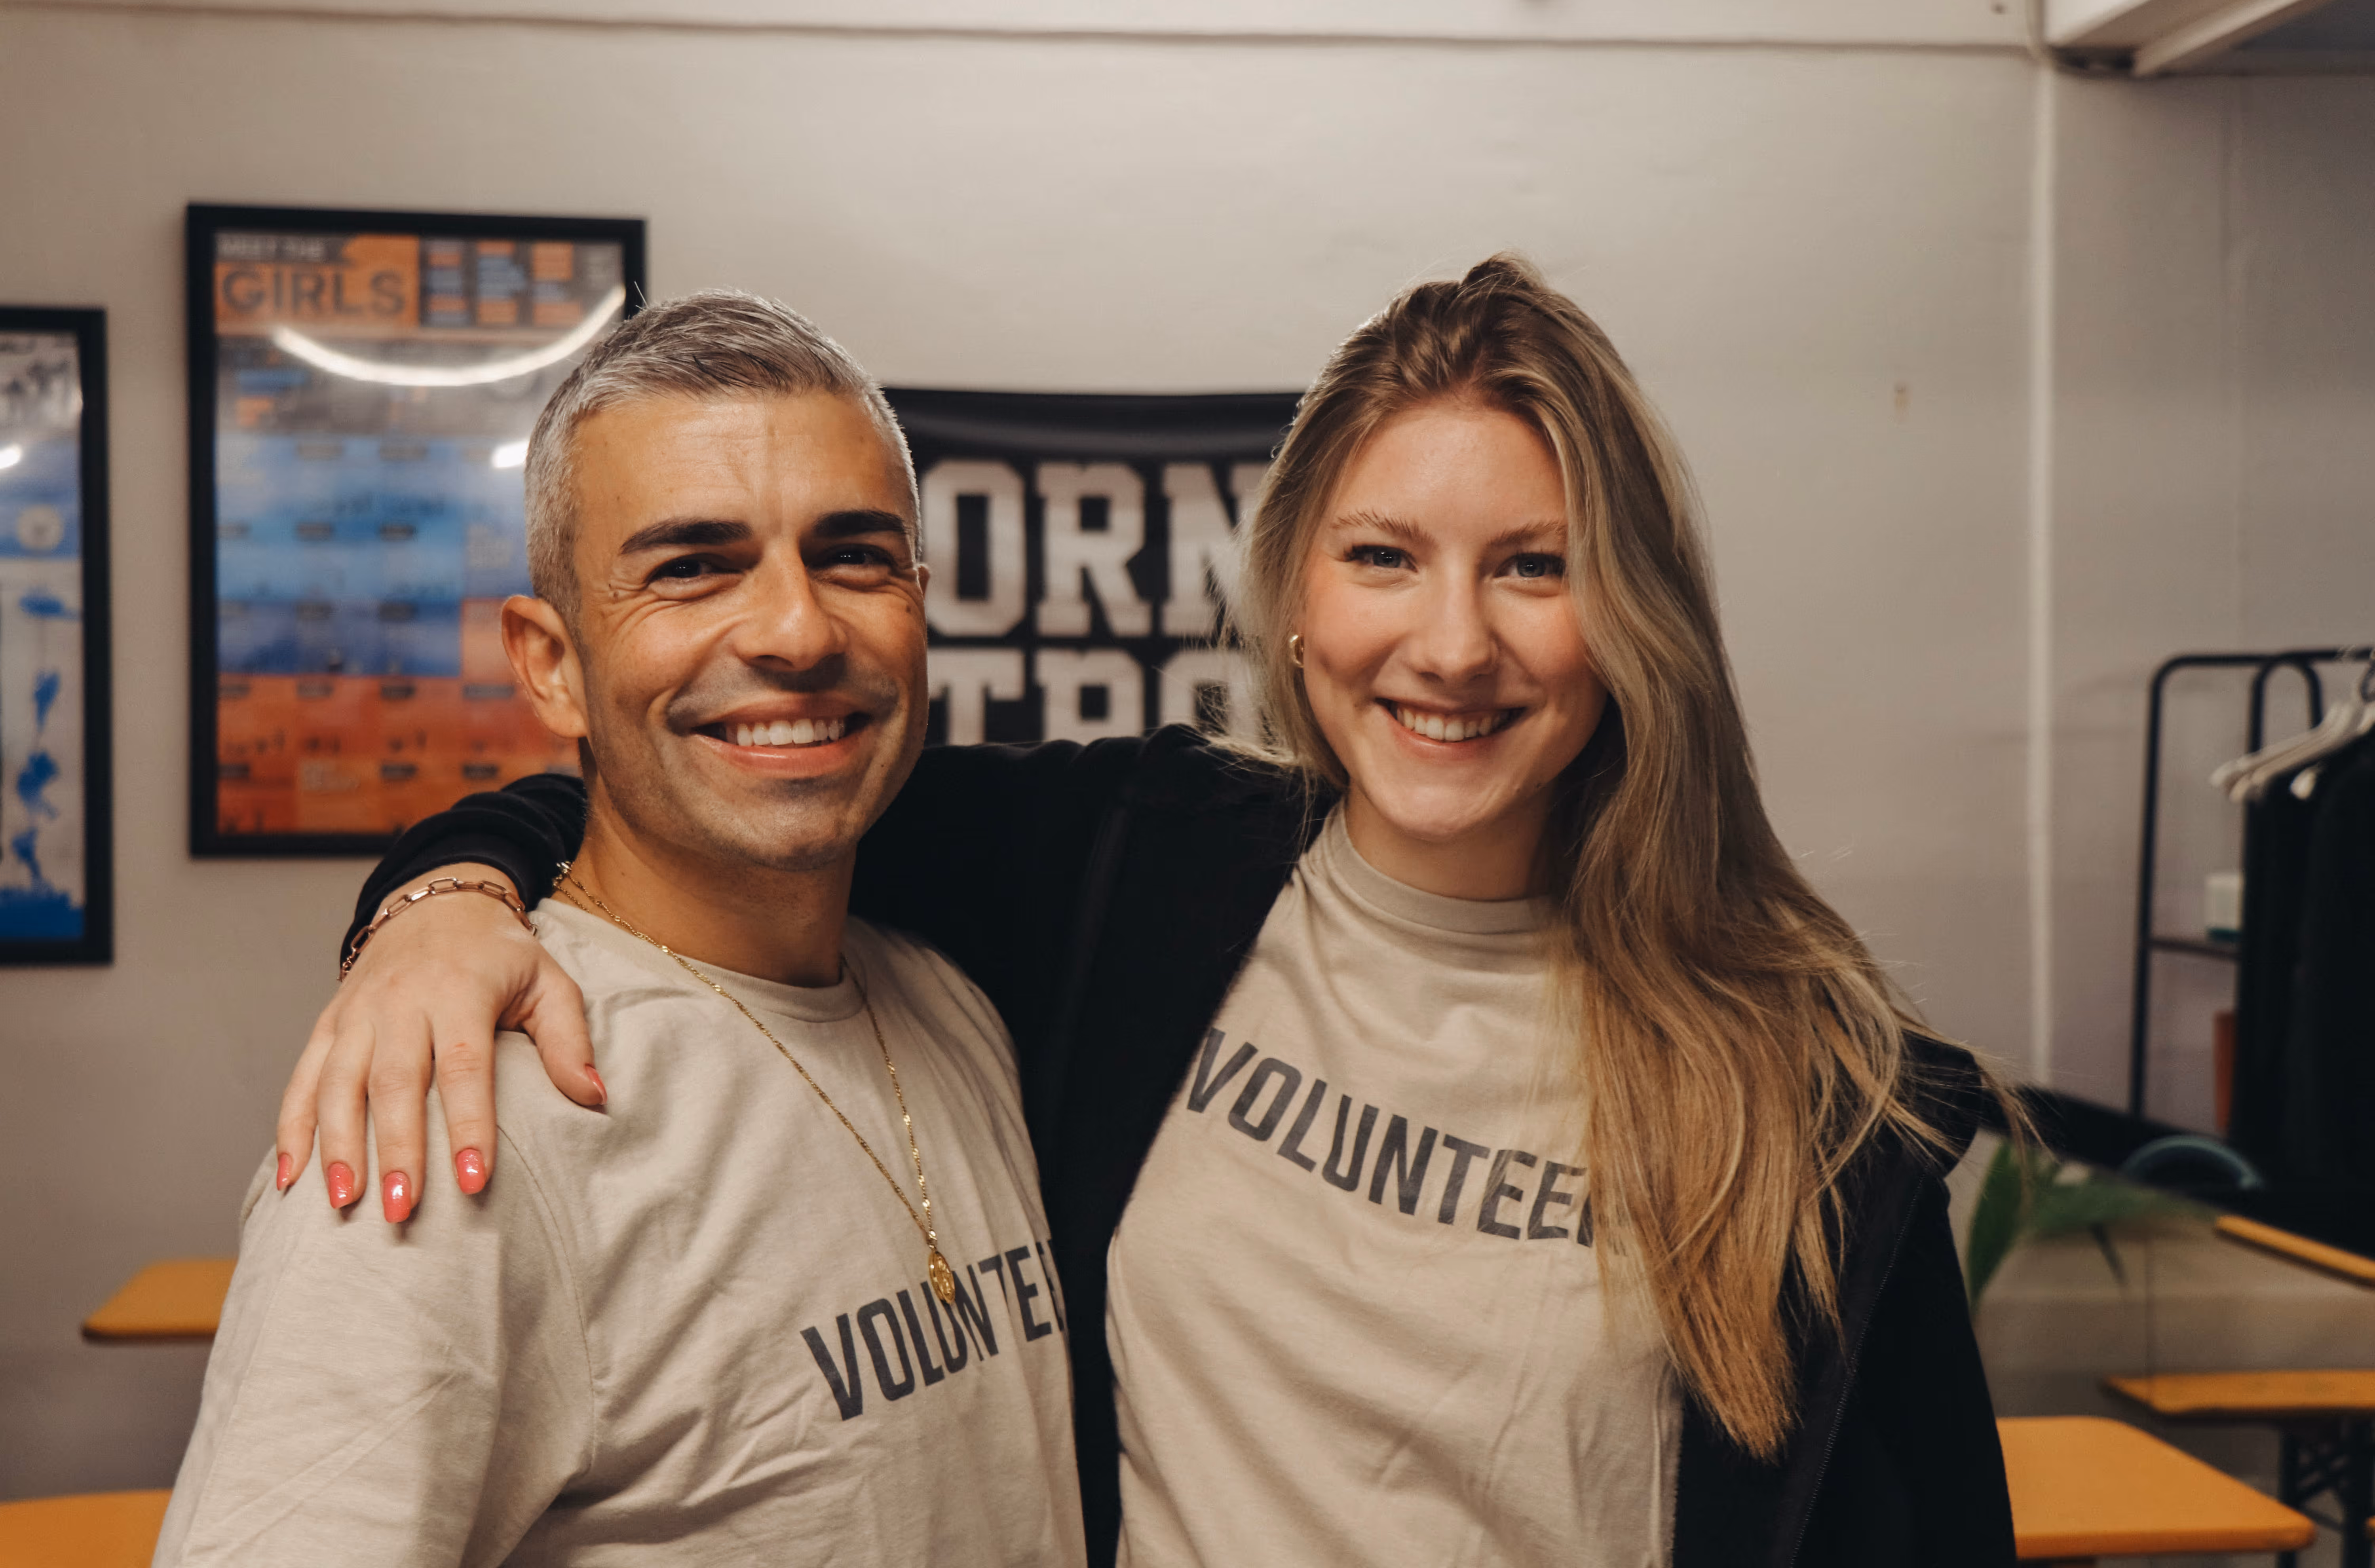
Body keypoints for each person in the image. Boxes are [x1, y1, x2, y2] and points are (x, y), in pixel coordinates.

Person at [281, 255, 2017, 1567]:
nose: (1455, 643)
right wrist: (445, 901)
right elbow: (735, 772)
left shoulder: (1807, 1095)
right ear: (1294, 602)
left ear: (1633, 618)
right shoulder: (1124, 873)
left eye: (1536, 566)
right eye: (1385, 556)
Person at [158, 292, 1085, 1567]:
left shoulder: (950, 1005)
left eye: (855, 556)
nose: (797, 630)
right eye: (692, 567)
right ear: (550, 664)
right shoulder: (448, 1114)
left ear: (920, 605)